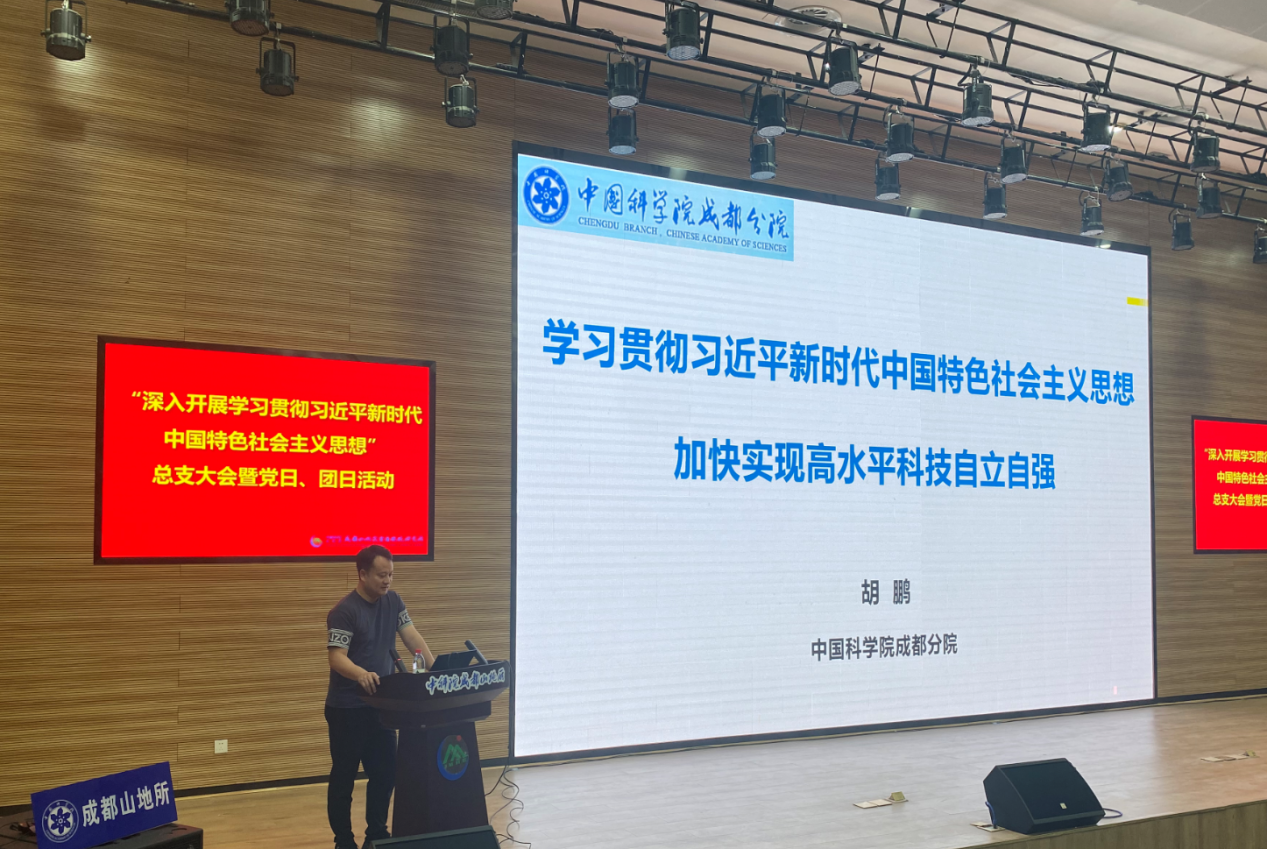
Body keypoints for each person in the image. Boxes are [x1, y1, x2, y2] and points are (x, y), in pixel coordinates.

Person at [326, 545, 435, 849]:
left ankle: (376, 835)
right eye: (381, 575)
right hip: (347, 709)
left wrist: (435, 669)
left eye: (391, 575)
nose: (387, 581)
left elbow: (412, 636)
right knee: (344, 779)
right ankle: (343, 841)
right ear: (362, 574)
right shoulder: (344, 611)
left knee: (386, 773)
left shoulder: (393, 601)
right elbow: (336, 657)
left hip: (382, 706)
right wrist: (360, 673)